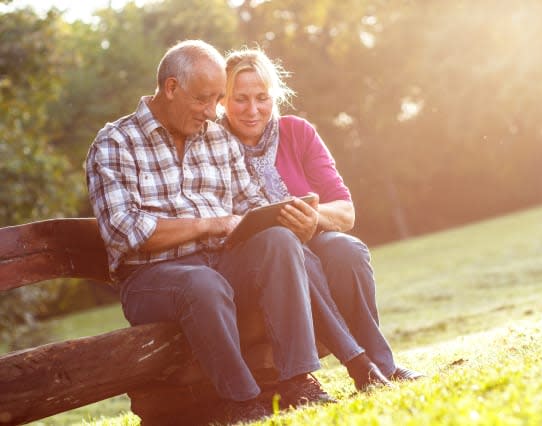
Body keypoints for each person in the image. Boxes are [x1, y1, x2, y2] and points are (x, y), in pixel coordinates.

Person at [85, 40, 333, 424]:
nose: (213, 111)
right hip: (152, 279)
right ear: (171, 88)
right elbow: (125, 232)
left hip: (222, 263)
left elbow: (251, 203)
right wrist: (210, 224)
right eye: (203, 99)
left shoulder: (217, 138)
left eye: (218, 99)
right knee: (202, 283)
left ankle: (298, 379)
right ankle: (242, 402)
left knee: (278, 241)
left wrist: (284, 217)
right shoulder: (115, 143)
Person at [218, 48, 425, 392]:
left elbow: (345, 211)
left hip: (308, 241)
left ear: (274, 96)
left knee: (347, 250)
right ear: (223, 100)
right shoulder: (211, 146)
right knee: (293, 251)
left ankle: (382, 365)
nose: (253, 110)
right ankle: (361, 364)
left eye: (262, 98)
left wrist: (312, 219)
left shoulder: (298, 133)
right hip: (254, 267)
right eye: (240, 99)